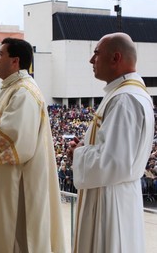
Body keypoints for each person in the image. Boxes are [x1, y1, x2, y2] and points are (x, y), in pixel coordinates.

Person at [0, 38, 65, 253]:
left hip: (16, 183)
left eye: (0, 55)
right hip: (2, 178)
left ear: (15, 61)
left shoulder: (24, 92)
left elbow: (16, 140)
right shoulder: (12, 87)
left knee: (15, 237)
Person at [68, 32, 154, 253]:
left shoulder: (124, 99)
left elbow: (114, 162)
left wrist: (78, 153)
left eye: (96, 54)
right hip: (116, 194)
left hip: (110, 201)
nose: (91, 60)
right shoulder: (126, 93)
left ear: (116, 58)